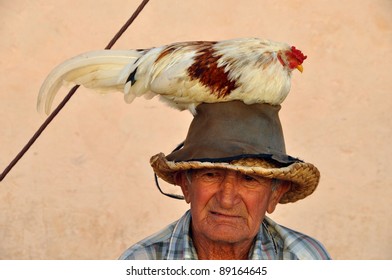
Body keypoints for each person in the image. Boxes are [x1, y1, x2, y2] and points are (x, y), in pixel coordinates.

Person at [119, 101, 331, 260]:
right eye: (211, 175)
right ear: (186, 185)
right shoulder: (141, 262)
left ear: (275, 195)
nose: (227, 199)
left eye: (249, 178)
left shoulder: (306, 260)